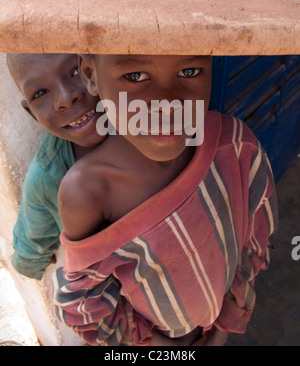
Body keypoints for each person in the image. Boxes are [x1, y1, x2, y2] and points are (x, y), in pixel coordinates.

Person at [53, 53, 278, 346]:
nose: (168, 104)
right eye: (135, 76)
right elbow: (83, 303)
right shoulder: (88, 192)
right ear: (90, 75)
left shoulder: (236, 145)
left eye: (190, 70)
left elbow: (256, 234)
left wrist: (226, 322)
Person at [7, 53, 106, 280]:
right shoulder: (47, 176)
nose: (65, 98)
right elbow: (28, 259)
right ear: (32, 113)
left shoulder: (149, 124)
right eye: (40, 93)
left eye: (75, 71)